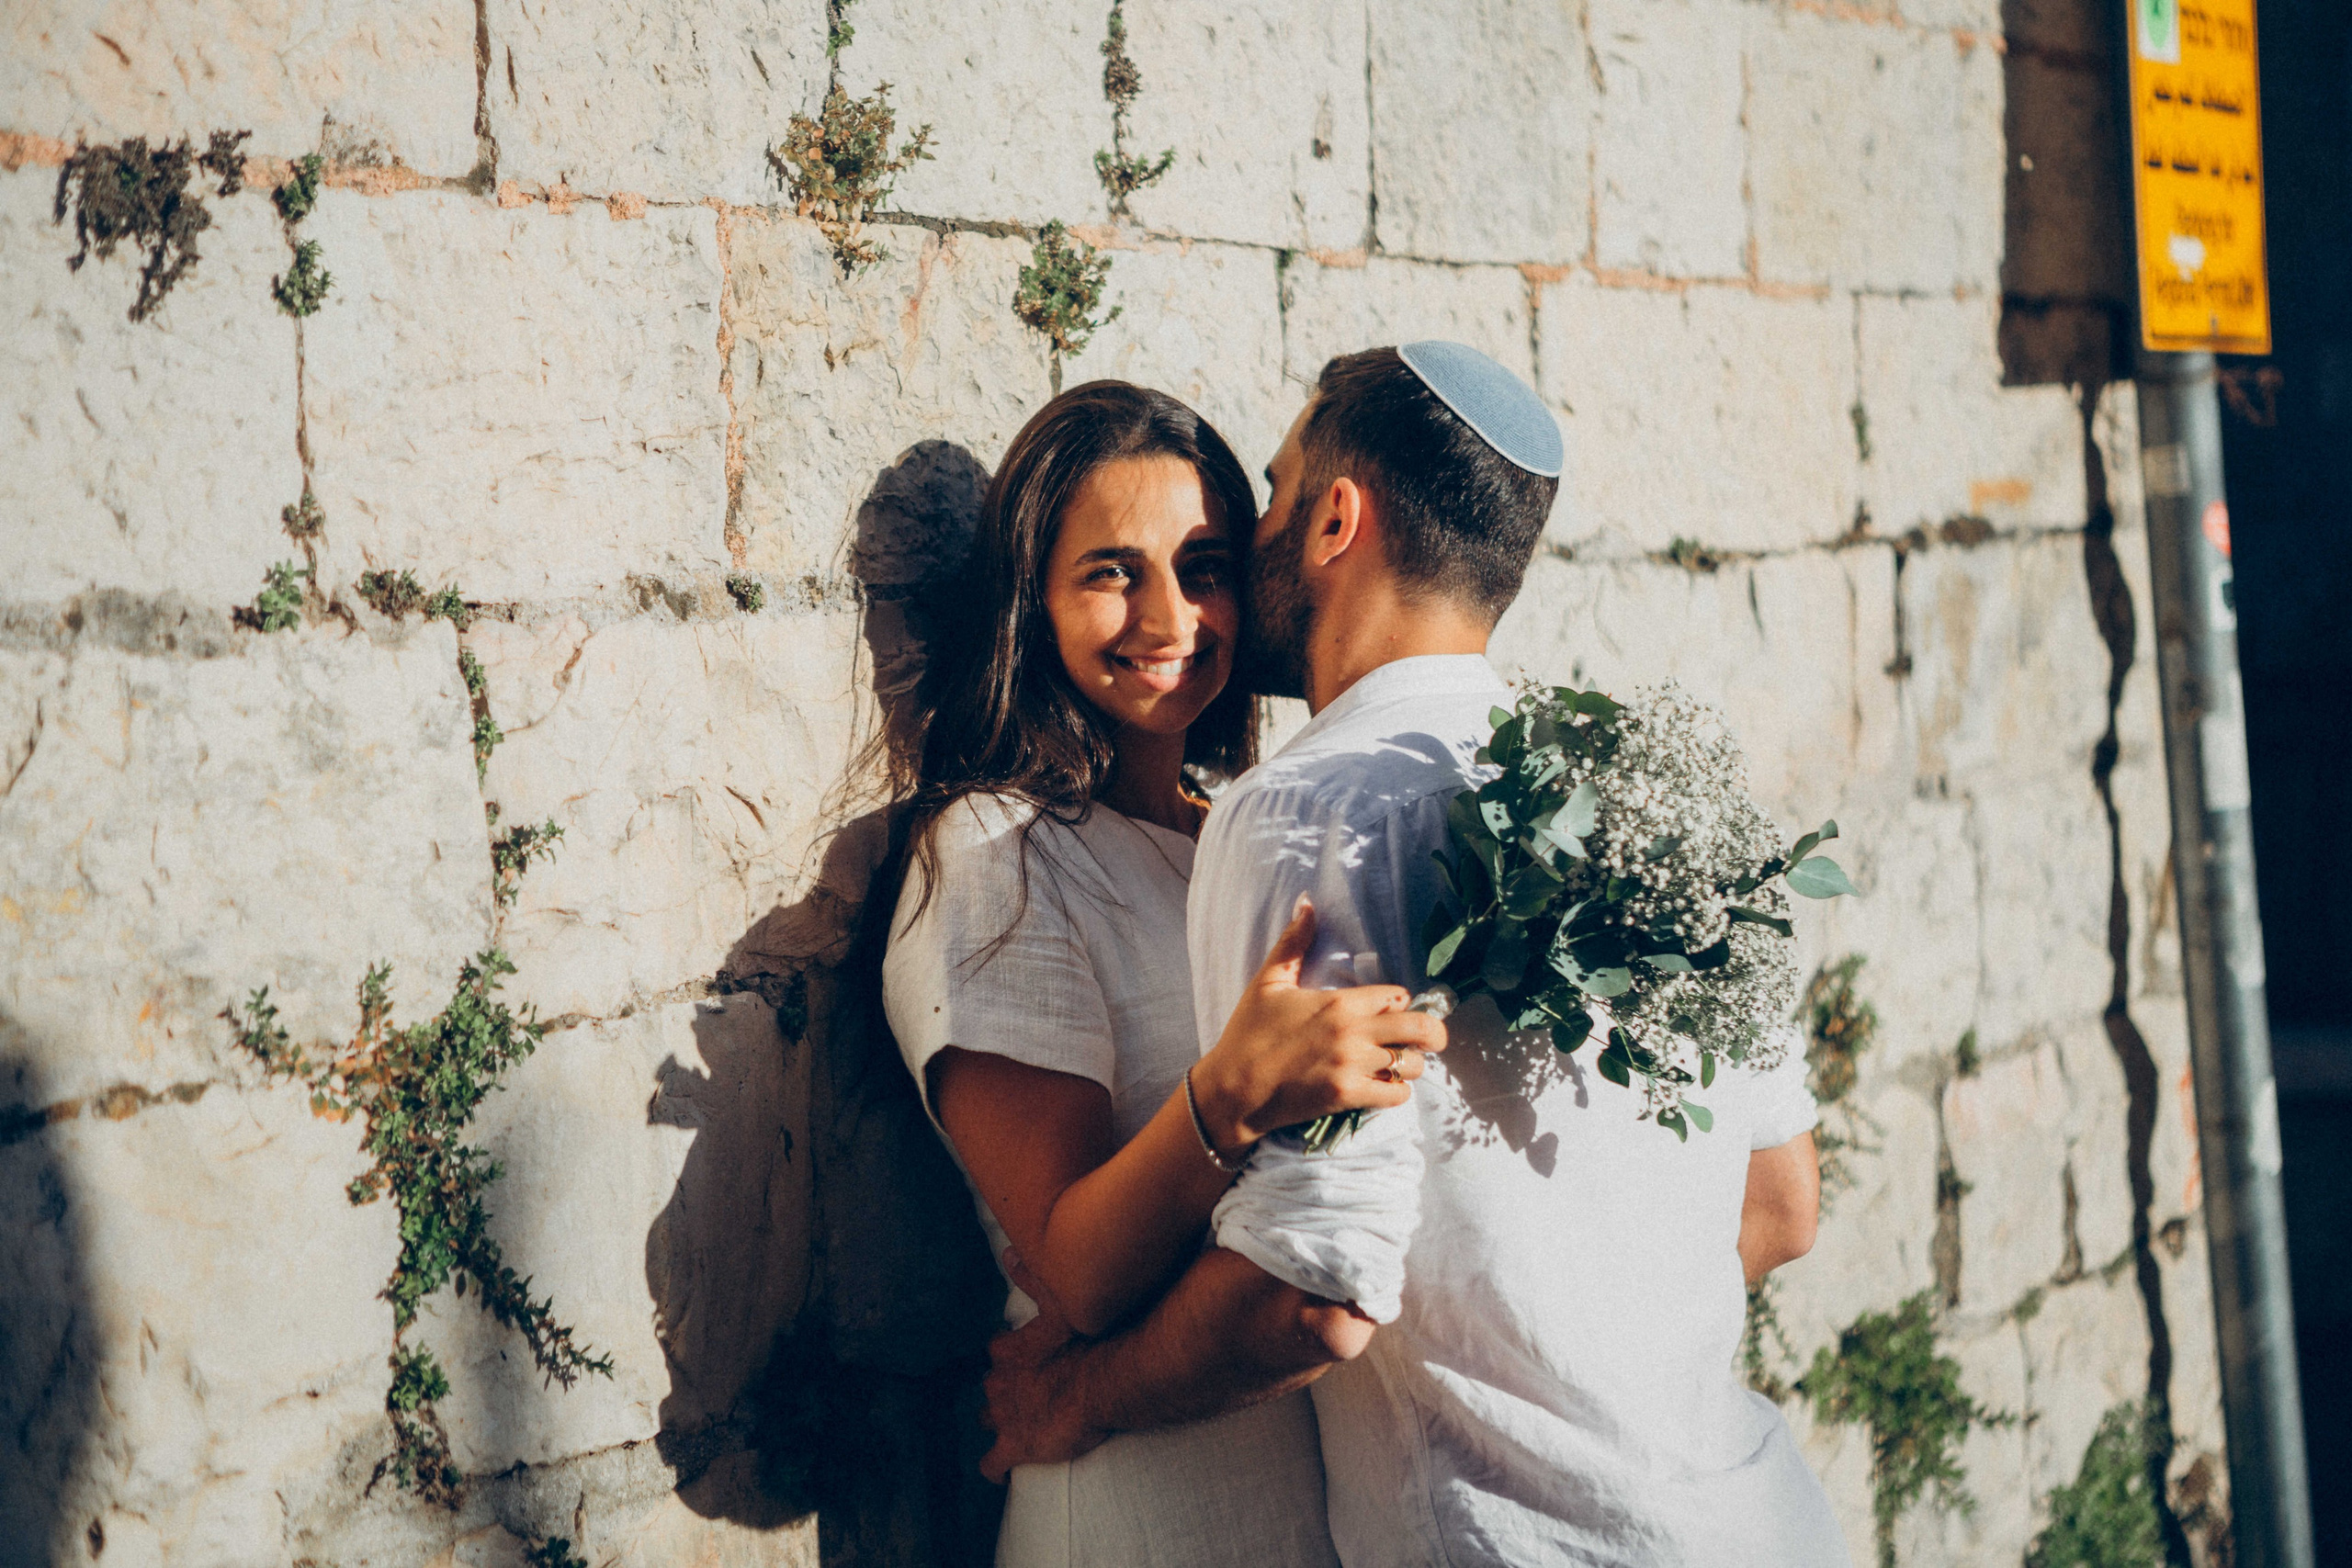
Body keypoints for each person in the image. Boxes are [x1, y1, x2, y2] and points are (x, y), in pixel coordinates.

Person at [977, 345, 1849, 1567]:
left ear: (1336, 517)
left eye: (1273, 495)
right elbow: (1782, 1205)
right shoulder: (1643, 798)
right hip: (1765, 1527)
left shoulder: (1301, 813)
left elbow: (1314, 1294)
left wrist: (1077, 1399)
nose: (1254, 527)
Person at [876, 380, 1448, 1568]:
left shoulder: (1241, 833)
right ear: (1032, 600)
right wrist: (1228, 1093)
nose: (1170, 614)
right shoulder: (997, 854)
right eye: (1110, 572)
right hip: (1136, 1510)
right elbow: (1076, 1269)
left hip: (1310, 1492)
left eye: (1204, 565)